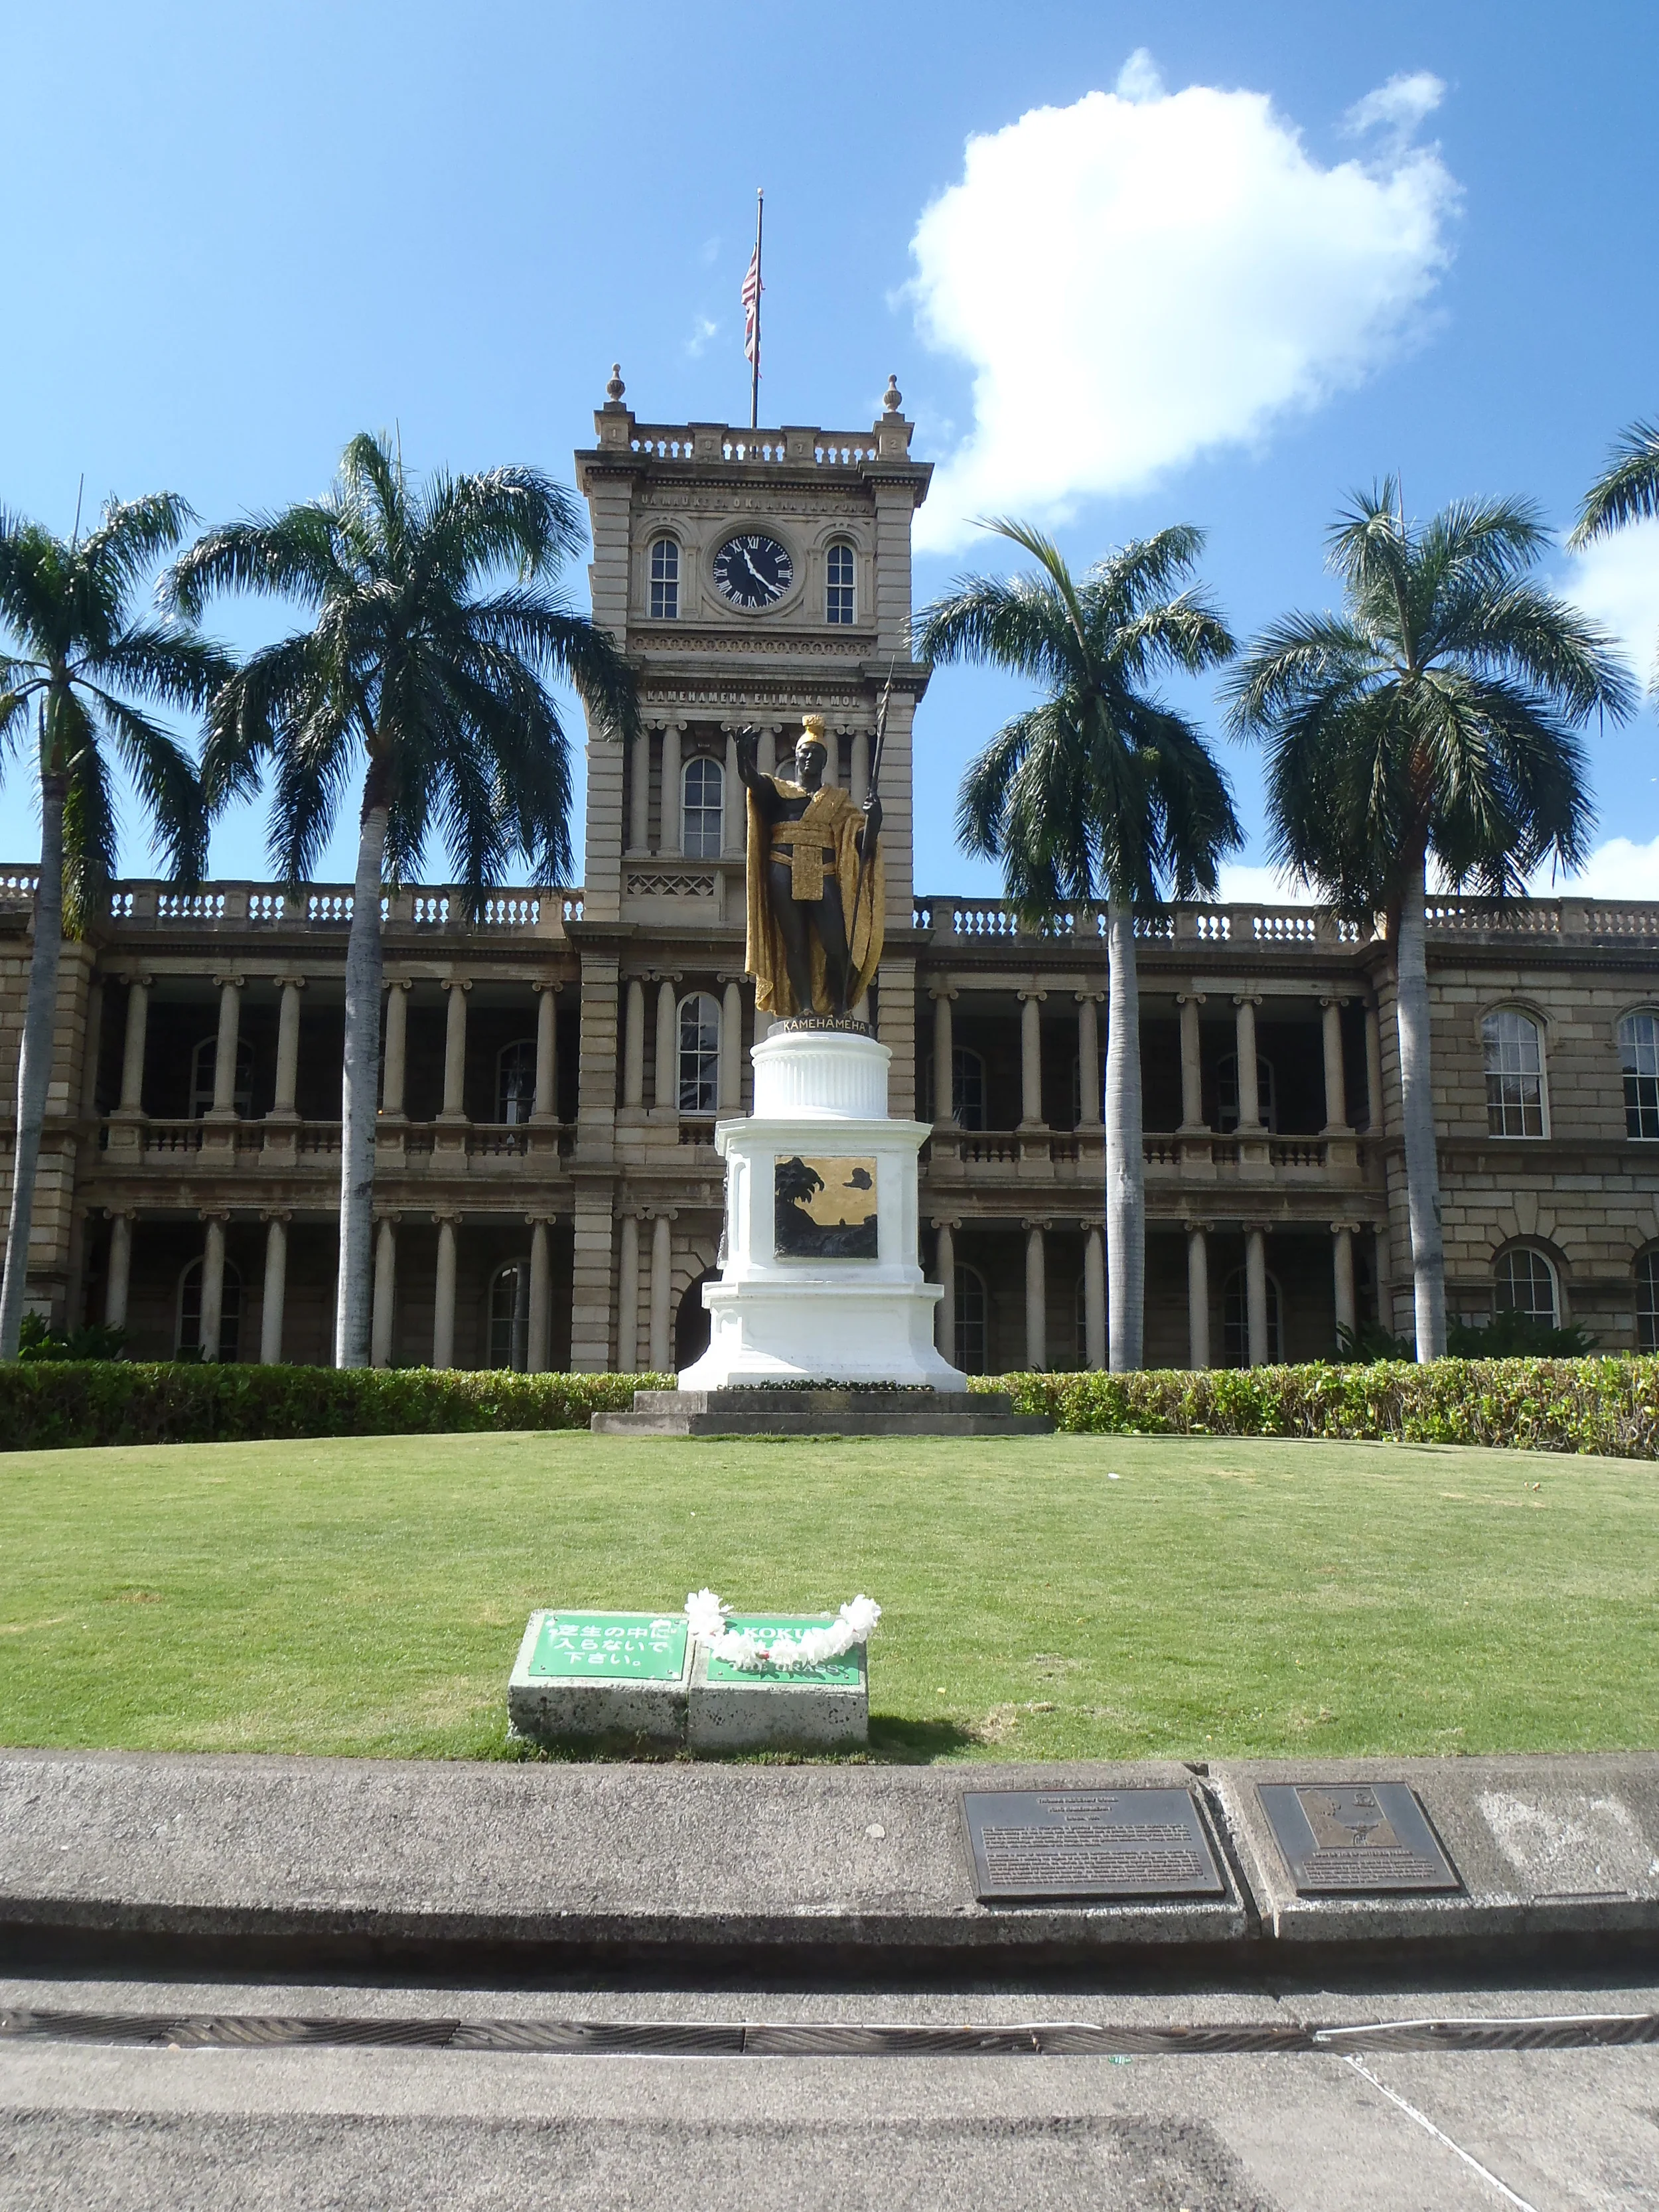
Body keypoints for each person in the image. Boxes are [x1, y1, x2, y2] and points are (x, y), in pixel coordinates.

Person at [735, 713, 883, 1018]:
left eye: (816, 754)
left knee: (835, 944)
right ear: (797, 757)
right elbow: (752, 780)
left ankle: (839, 1007)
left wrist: (875, 820)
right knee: (796, 942)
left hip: (824, 870)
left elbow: (860, 844)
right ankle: (804, 1006)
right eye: (805, 753)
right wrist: (743, 757)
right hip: (783, 869)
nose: (809, 759)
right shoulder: (780, 792)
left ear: (824, 761)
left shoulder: (837, 801)